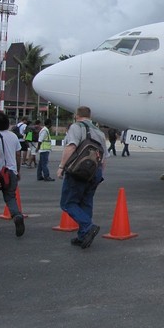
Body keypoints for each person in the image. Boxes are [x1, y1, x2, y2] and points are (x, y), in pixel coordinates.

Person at [57, 106, 107, 249]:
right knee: (86, 202)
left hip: (79, 171)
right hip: (94, 171)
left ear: (77, 115)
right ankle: (83, 235)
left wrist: (61, 166)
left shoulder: (76, 127)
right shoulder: (99, 132)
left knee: (68, 203)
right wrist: (100, 174)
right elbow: (104, 158)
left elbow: (71, 146)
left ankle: (88, 226)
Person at [0, 111, 24, 237]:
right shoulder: (13, 136)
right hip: (11, 172)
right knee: (10, 197)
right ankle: (17, 216)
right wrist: (17, 170)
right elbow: (18, 154)